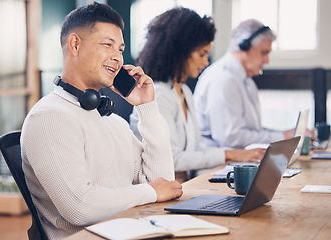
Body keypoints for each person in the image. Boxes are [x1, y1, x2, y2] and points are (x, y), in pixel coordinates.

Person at [20, 2, 182, 239]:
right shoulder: (49, 118)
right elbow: (80, 207)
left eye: (120, 49)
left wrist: (147, 107)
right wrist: (150, 192)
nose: (117, 57)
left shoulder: (110, 119)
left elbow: (161, 182)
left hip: (133, 230)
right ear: (75, 44)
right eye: (108, 45)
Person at [129, 8, 265, 183]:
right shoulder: (158, 95)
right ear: (180, 52)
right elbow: (173, 159)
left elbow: (193, 150)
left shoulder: (183, 91)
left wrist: (236, 156)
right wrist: (231, 153)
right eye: (201, 54)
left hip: (182, 184)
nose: (205, 62)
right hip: (156, 191)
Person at [194, 19, 295, 149]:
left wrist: (286, 135)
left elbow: (253, 131)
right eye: (264, 52)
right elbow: (231, 138)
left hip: (240, 161)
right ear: (243, 46)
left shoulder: (246, 81)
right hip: (218, 166)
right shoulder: (223, 79)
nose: (267, 61)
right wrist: (282, 137)